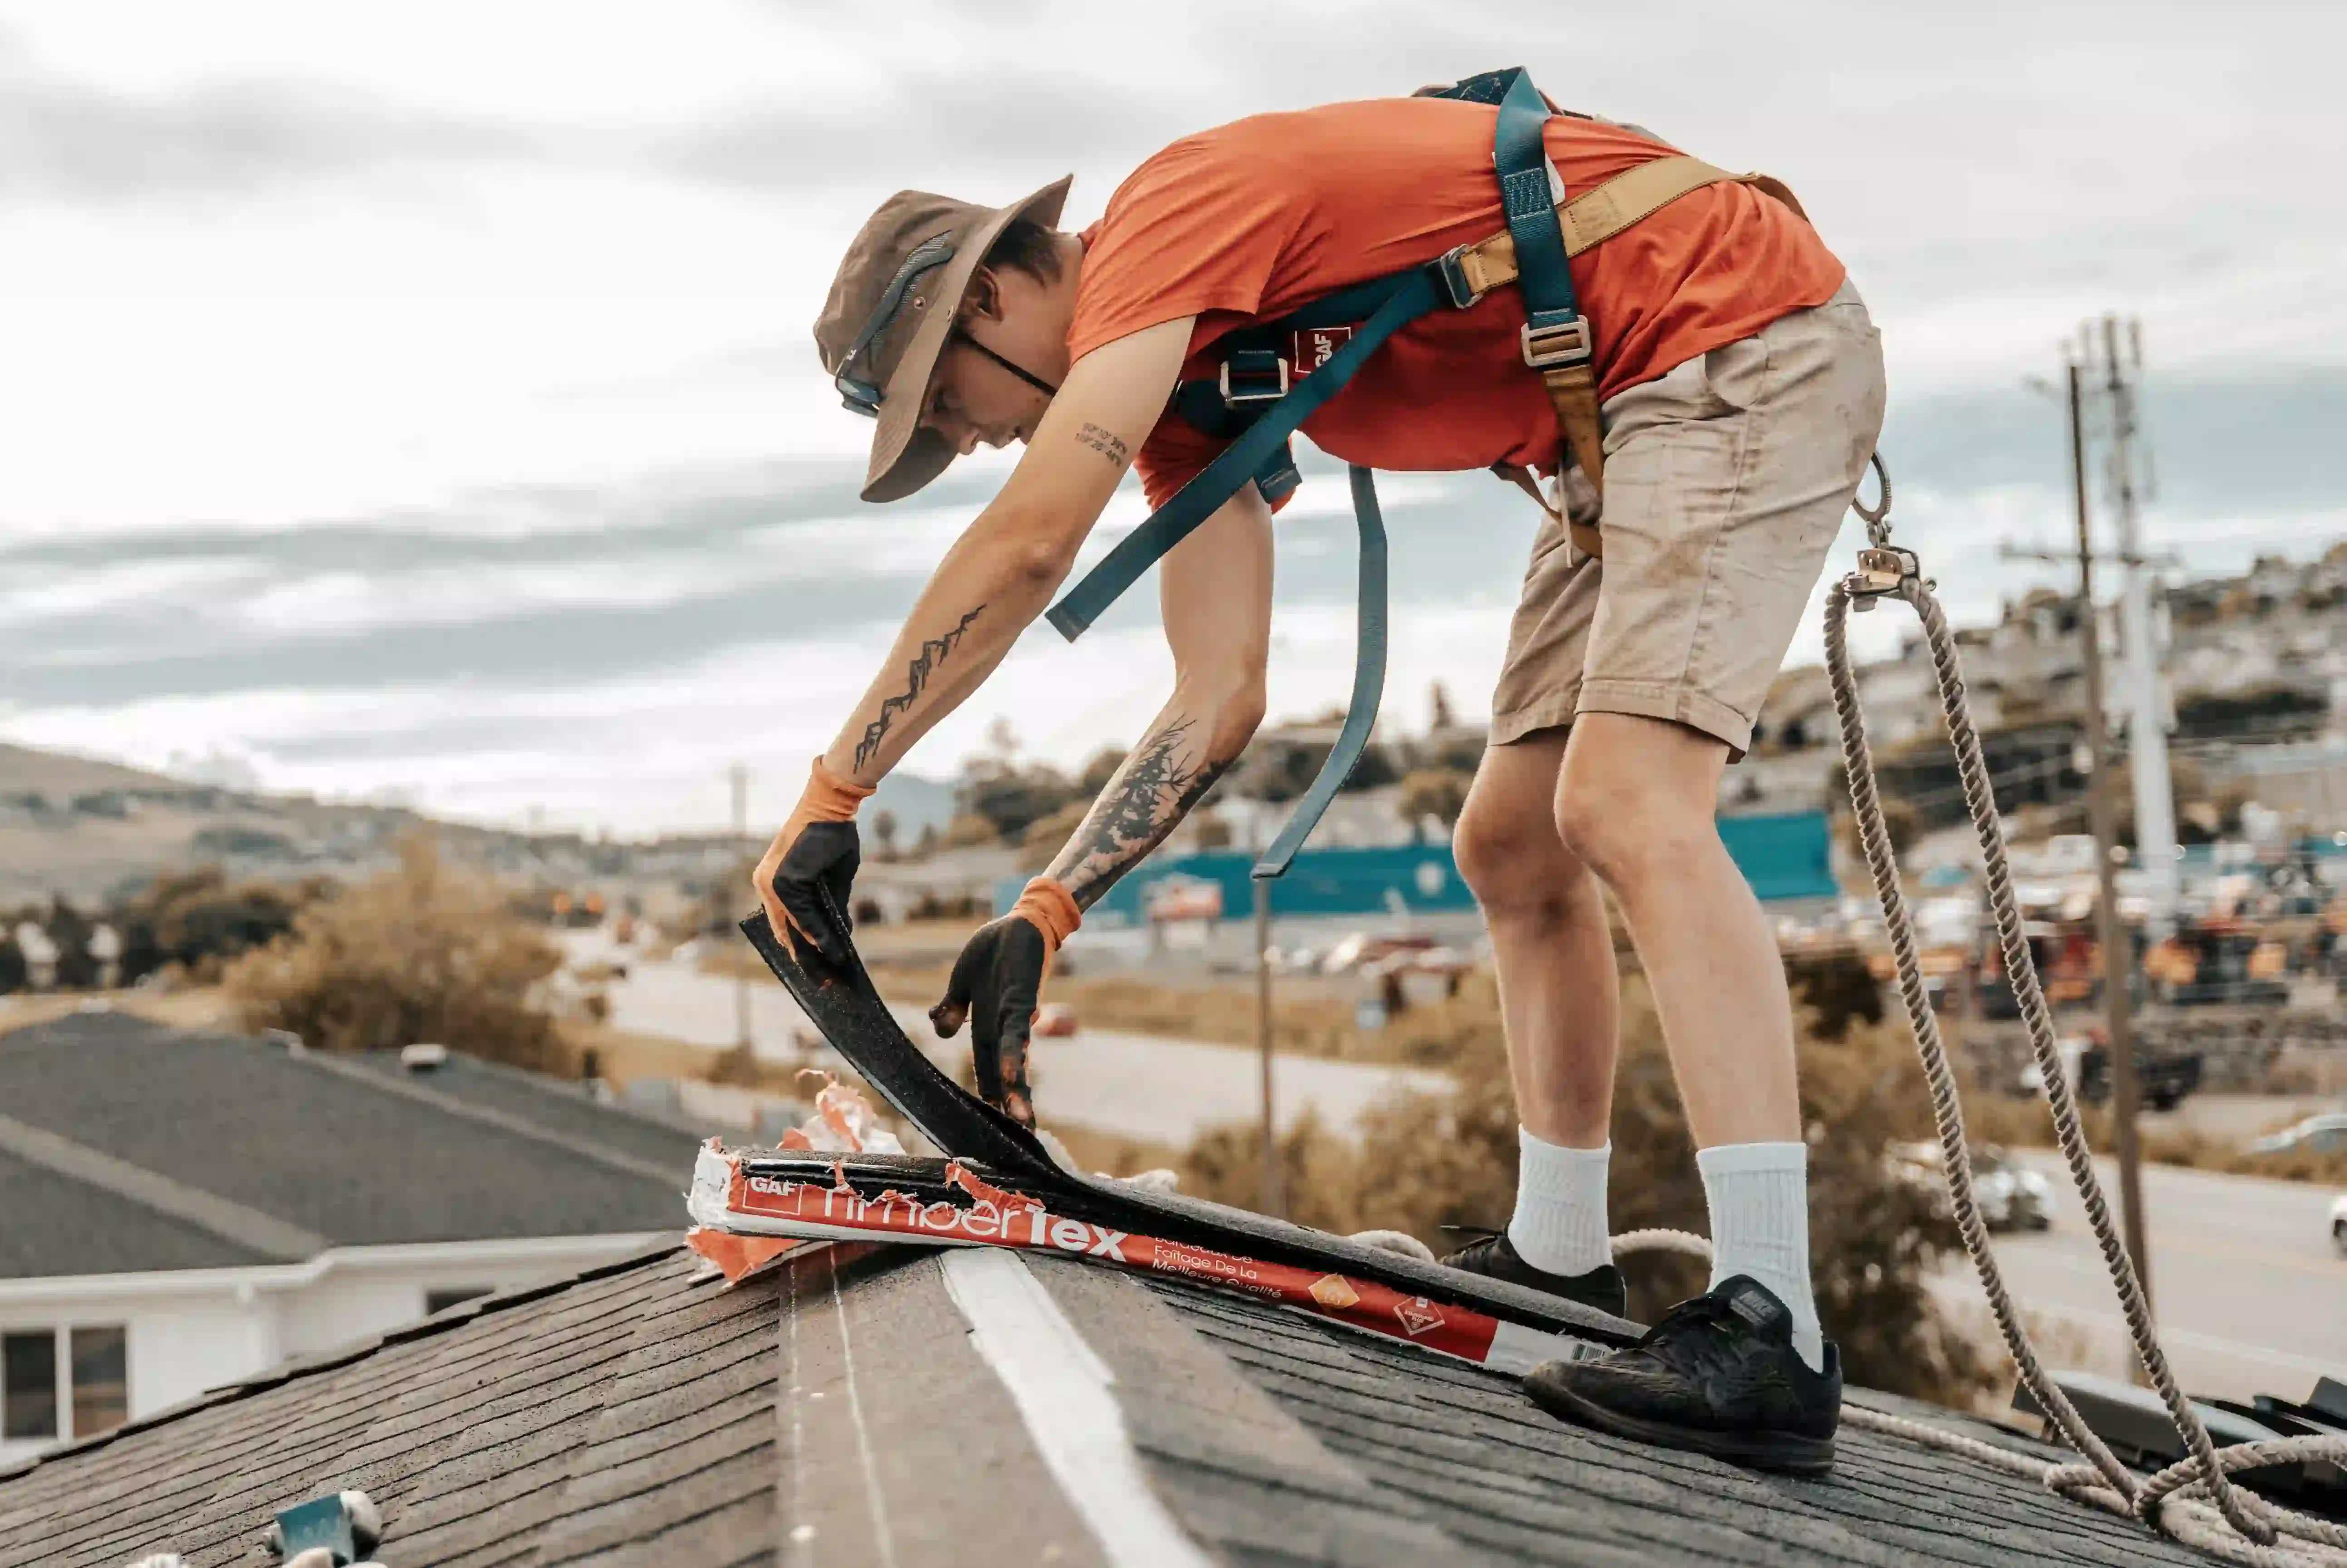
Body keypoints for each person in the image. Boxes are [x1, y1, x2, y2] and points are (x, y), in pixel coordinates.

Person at [750, 86, 1884, 1474]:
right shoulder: (1188, 397)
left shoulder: (1166, 218)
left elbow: (1036, 536)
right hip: (1623, 425)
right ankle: (1565, 1257)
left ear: (992, 297)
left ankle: (1774, 1320)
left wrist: (833, 794)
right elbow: (1218, 696)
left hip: (1727, 338)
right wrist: (1046, 909)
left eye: (952, 408)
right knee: (1515, 847)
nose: (974, 442)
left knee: (1626, 802)